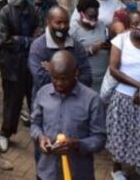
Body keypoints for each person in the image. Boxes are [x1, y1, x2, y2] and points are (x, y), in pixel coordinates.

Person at [31, 50, 106, 180]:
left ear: (76, 72)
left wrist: (76, 144)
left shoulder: (92, 100)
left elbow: (99, 139)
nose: (59, 83)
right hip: (47, 172)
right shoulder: (43, 93)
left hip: (78, 173)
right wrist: (40, 137)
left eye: (64, 78)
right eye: (54, 77)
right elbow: (35, 124)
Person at [106, 11, 140, 178]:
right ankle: (116, 169)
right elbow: (113, 70)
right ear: (128, 26)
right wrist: (139, 86)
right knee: (120, 134)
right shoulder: (120, 40)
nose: (139, 27)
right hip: (123, 96)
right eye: (134, 24)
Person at [0, 0, 43, 152]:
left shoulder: (34, 11)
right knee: (11, 102)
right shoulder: (5, 12)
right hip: (12, 64)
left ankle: (40, 133)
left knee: (35, 99)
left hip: (31, 62)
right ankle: (5, 134)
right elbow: (3, 40)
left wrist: (21, 40)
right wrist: (28, 40)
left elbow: (40, 34)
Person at [69, 0, 110, 92]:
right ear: (81, 14)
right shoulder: (73, 30)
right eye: (90, 17)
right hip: (86, 79)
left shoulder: (101, 25)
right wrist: (90, 50)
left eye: (96, 16)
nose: (94, 20)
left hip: (103, 77)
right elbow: (68, 55)